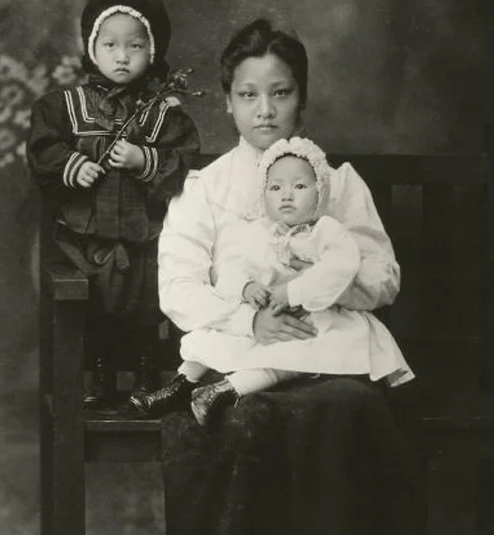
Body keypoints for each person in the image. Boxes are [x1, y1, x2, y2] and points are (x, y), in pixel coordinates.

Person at [148, 18, 427, 535]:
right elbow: (179, 288)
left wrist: (323, 277)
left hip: (329, 348)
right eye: (248, 95)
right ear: (227, 102)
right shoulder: (206, 189)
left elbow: (384, 279)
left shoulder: (334, 181)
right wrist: (252, 317)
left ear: (301, 98)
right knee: (245, 420)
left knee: (347, 410)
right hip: (240, 348)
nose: (265, 110)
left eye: (280, 93)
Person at [131, 135, 414, 427]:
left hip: (316, 318)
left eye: (300, 187)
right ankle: (182, 384)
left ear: (320, 193)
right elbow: (240, 267)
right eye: (276, 188)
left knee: (288, 360)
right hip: (265, 315)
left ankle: (225, 390)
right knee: (215, 339)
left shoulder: (326, 232)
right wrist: (246, 288)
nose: (287, 196)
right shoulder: (264, 232)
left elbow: (340, 268)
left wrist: (293, 291)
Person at [27, 0, 200, 412]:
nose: (122, 56)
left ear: (152, 51)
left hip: (144, 239)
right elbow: (44, 149)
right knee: (95, 310)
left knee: (146, 309)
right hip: (88, 239)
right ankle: (99, 375)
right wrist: (73, 165)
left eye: (135, 46)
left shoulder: (163, 112)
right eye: (110, 45)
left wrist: (144, 159)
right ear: (93, 49)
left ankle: (144, 373)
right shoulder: (66, 106)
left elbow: (183, 163)